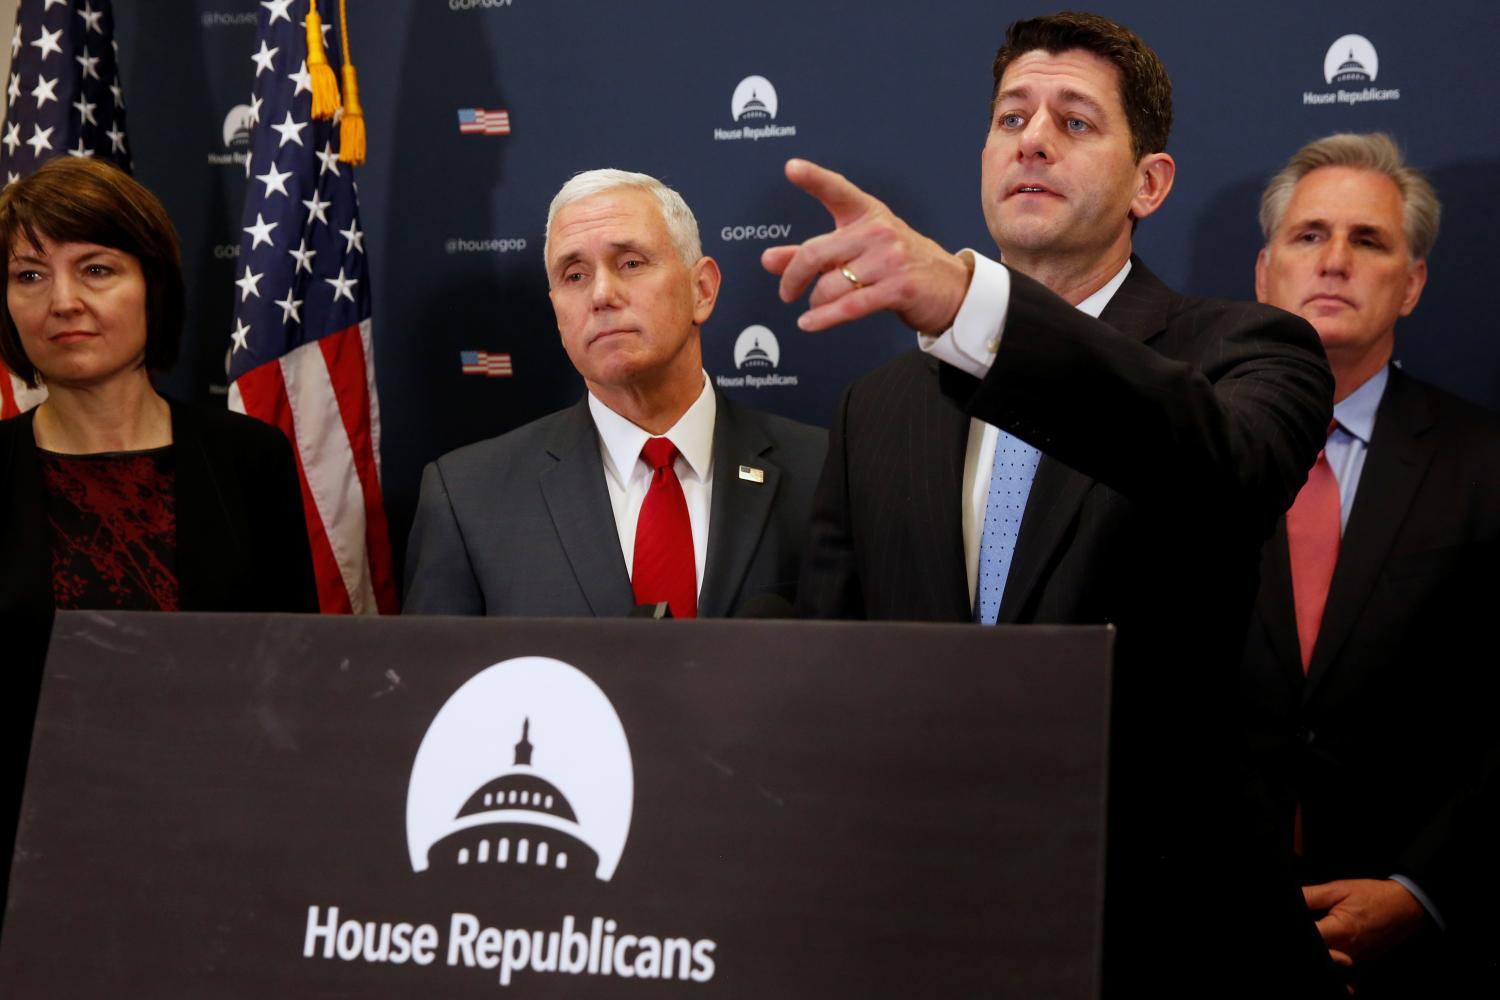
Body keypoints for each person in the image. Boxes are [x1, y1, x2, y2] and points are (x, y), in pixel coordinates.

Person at [765, 12, 1340, 996]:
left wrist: (973, 310)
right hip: (928, 934)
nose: (1031, 138)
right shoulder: (879, 408)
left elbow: (1228, 465)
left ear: (1148, 183)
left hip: (1168, 945)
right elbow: (839, 666)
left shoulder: (1251, 351)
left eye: (1074, 123)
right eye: (1010, 117)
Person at [0, 156, 317, 925]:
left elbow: (299, 687)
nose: (63, 302)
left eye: (97, 269)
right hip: (22, 884)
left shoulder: (250, 460)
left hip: (226, 873)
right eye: (30, 276)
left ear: (156, 288)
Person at [1241, 132, 1500, 997]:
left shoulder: (1485, 461)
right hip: (1203, 927)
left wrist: (1422, 892)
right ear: (1264, 271)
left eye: (1370, 240)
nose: (1336, 261)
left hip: (1422, 945)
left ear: (1414, 282)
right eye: (1310, 235)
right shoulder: (1181, 451)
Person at [404, 169, 825, 618]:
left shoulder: (822, 473)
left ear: (701, 290)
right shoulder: (467, 497)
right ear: (557, 313)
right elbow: (440, 684)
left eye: (630, 263)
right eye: (575, 275)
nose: (602, 294)